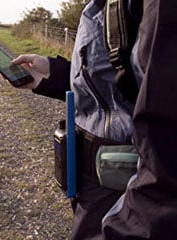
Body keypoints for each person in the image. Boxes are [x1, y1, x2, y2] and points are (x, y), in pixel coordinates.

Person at [12, 0, 177, 239]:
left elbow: (168, 162)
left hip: (127, 202)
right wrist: (53, 74)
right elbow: (121, 86)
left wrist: (127, 228)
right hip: (93, 194)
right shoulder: (100, 5)